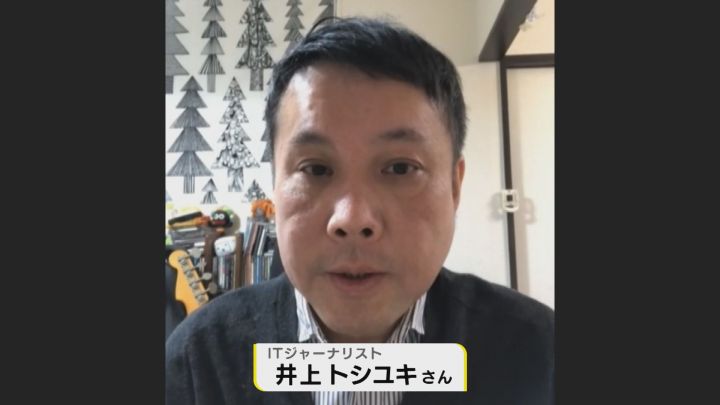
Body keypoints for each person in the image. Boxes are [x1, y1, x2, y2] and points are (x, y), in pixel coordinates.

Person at [166, 17, 554, 405]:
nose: (352, 220)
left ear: (454, 187)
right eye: (316, 169)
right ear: (275, 185)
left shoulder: (540, 353)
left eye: (400, 168)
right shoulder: (198, 362)